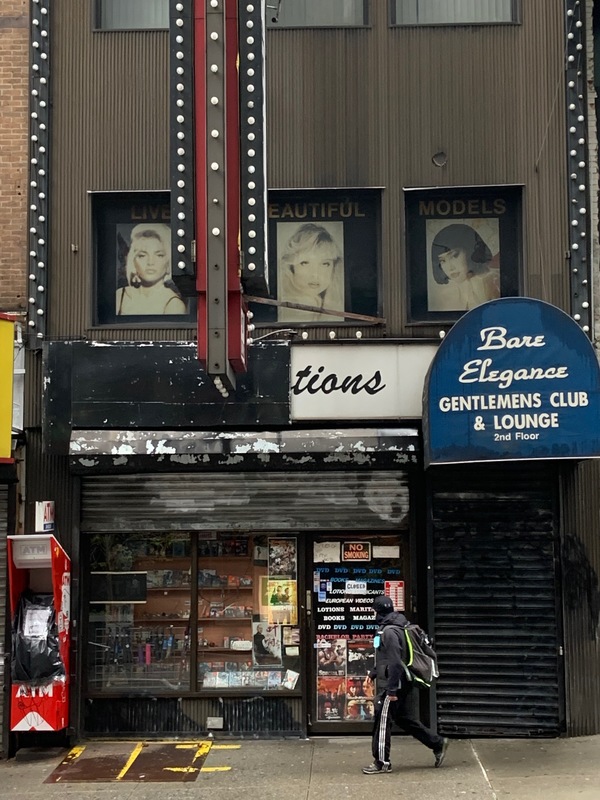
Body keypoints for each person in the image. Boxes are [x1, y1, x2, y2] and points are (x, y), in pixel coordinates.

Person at [362, 595, 448, 775]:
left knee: (382, 719)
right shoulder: (398, 625)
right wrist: (374, 672)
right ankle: (437, 743)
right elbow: (387, 658)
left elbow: (394, 661)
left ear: (378, 611)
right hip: (401, 681)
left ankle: (382, 762)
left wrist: (392, 690)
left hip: (395, 684)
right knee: (402, 718)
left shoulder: (389, 631)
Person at [278, 222, 345, 322]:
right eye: (305, 263)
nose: (315, 274)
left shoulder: (333, 305)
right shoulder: (289, 311)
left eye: (325, 264)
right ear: (291, 267)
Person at [116, 223, 187, 315]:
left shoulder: (174, 304)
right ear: (133, 261)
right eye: (142, 255)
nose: (150, 262)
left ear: (169, 261)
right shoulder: (120, 296)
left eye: (159, 255)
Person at [429, 223, 500, 312]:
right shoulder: (446, 296)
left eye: (454, 256)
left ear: (470, 250)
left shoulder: (490, 281)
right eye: (443, 261)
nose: (450, 267)